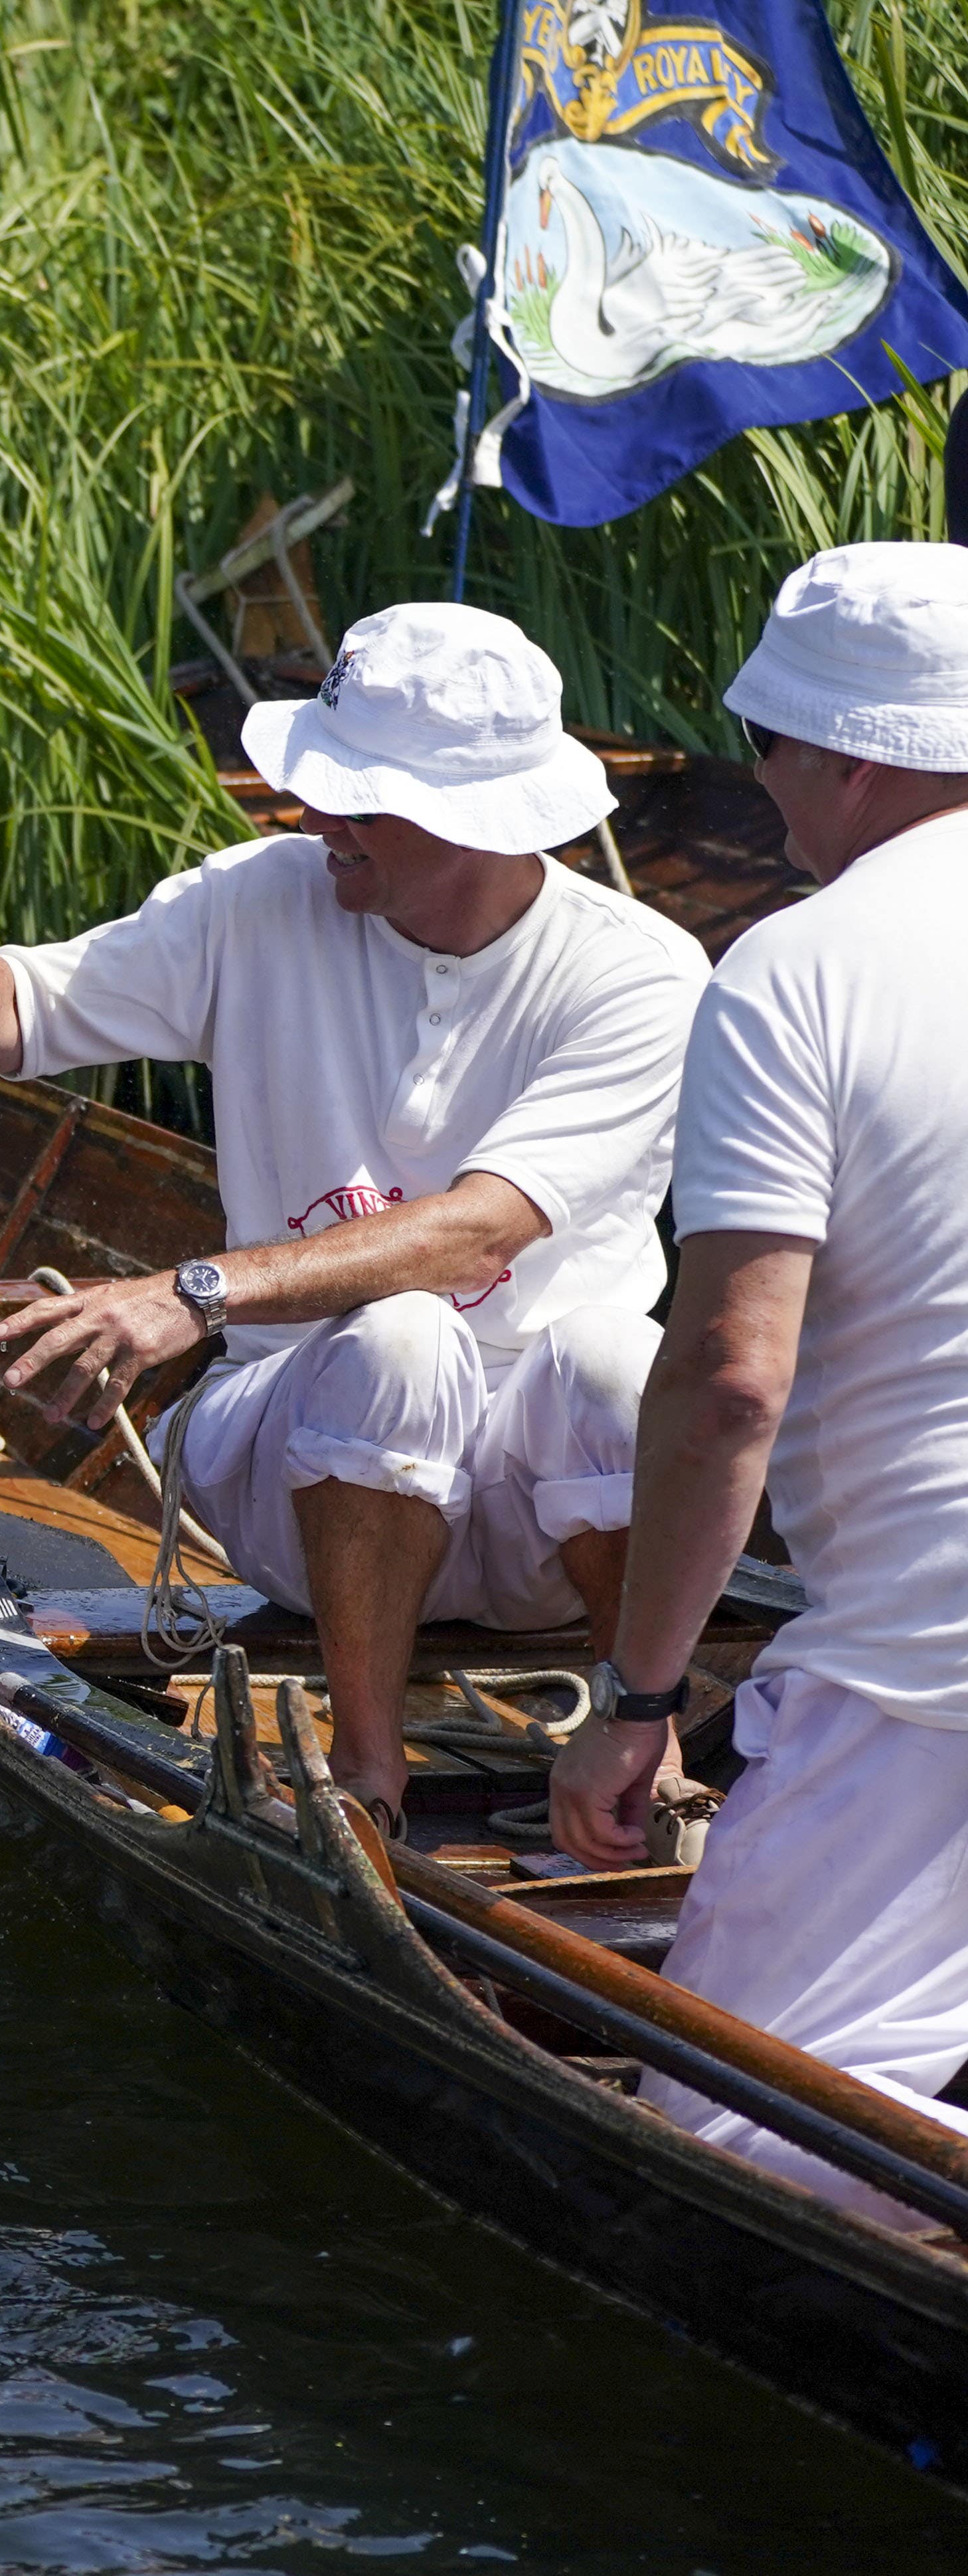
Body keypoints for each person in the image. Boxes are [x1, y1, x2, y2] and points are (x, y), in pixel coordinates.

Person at [0, 604, 707, 1832]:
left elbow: (479, 1233)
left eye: (354, 799)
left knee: (619, 1359)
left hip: (542, 1519)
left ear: (473, 824)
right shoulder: (257, 900)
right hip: (299, 1476)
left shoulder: (642, 973)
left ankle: (634, 1745)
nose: (310, 819)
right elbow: (10, 1023)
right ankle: (364, 1772)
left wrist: (188, 1292)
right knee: (399, 1342)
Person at [552, 543, 968, 2219]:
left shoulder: (793, 969)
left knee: (733, 2138)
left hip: (924, 1672)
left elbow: (728, 1374)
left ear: (852, 756)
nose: (758, 777)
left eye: (770, 745)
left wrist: (638, 1699)